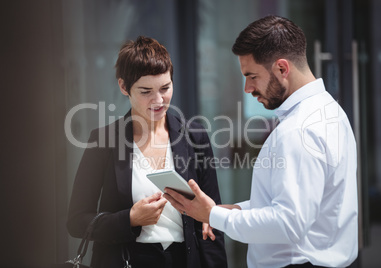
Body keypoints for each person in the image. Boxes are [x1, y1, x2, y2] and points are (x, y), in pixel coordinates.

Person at [164, 15, 358, 268]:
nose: (247, 88)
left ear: (282, 69)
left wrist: (212, 215)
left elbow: (288, 223)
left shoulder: (298, 130)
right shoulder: (330, 111)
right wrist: (229, 211)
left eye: (252, 76)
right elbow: (291, 205)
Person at [67, 36, 227, 268]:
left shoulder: (195, 136)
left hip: (184, 260)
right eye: (145, 91)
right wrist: (130, 219)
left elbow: (213, 220)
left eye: (165, 88)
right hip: (127, 260)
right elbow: (76, 221)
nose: (159, 100)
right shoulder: (104, 141)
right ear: (124, 87)